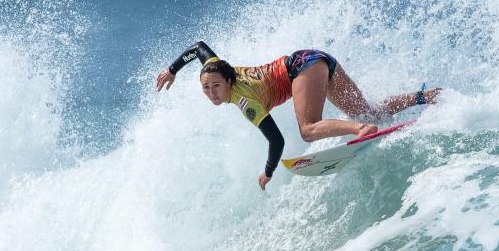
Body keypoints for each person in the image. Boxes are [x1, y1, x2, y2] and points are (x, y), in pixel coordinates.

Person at [155, 42, 440, 190]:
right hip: (313, 59)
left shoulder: (245, 102)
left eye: (216, 86)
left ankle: (361, 129)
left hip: (302, 67)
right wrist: (172, 69)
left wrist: (268, 172)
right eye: (206, 88)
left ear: (228, 83)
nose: (212, 92)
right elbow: (198, 48)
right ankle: (425, 97)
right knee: (369, 109)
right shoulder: (217, 66)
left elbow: (276, 141)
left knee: (308, 128)